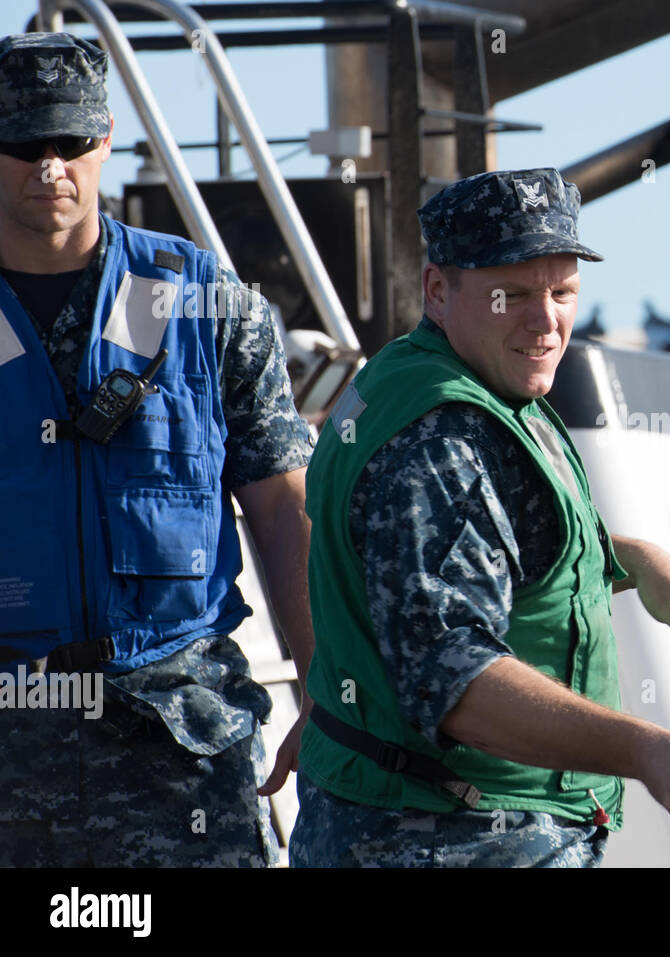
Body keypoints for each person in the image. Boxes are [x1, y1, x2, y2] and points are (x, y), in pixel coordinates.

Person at [290, 167, 670, 867]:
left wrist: (633, 559)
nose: (546, 319)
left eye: (562, 293)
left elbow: (469, 548)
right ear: (439, 290)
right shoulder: (440, 439)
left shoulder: (436, 377)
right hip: (449, 837)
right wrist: (641, 747)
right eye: (513, 294)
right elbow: (454, 680)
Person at [0, 32, 315, 866]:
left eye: (69, 142)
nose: (48, 166)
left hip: (179, 753)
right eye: (22, 143)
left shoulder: (197, 303)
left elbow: (285, 509)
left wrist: (328, 690)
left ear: (105, 140)